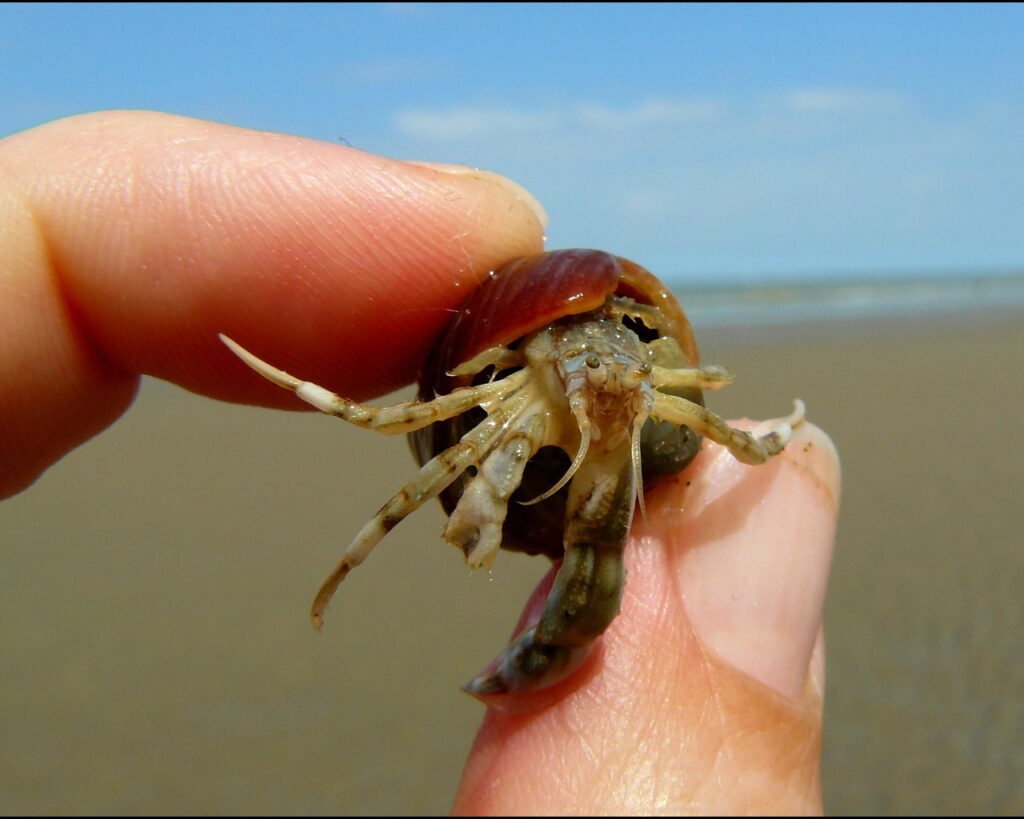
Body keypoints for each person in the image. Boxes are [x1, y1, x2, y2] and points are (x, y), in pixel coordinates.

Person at [0, 111, 840, 813]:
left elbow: (709, 425)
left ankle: (539, 650)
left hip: (595, 396)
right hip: (523, 392)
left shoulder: (640, 370)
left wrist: (758, 438)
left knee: (612, 501)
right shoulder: (514, 384)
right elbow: (375, 414)